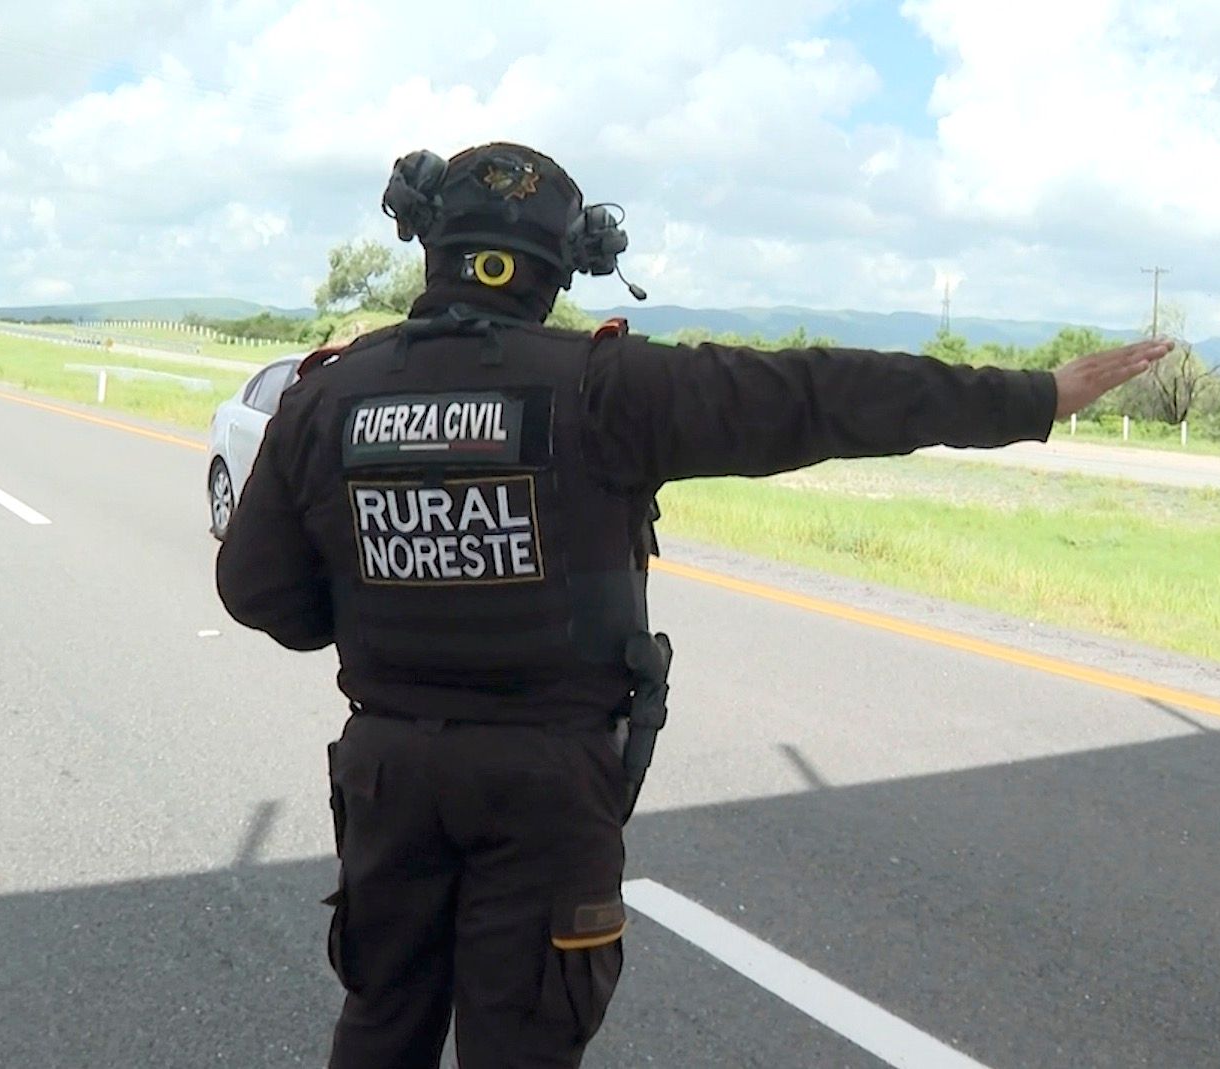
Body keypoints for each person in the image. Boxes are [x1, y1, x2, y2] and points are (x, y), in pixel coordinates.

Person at [215, 141, 1169, 1068]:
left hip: (390, 775)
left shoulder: (326, 396)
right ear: (566, 264)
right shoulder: (608, 386)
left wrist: (394, 601)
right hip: (551, 785)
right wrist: (1033, 396)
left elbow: (258, 592)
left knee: (380, 1025)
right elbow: (818, 394)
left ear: (428, 241)